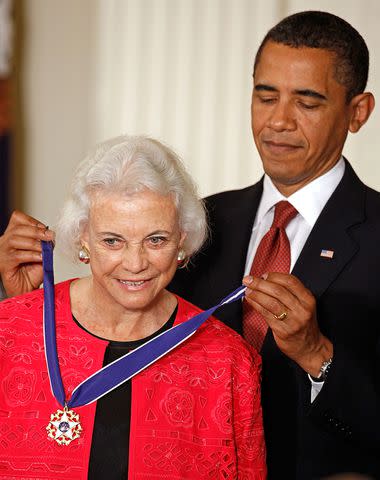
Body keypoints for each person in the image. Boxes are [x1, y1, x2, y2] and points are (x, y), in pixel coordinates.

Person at [0, 9, 379, 480]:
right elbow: (123, 348)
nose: (279, 121)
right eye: (265, 96)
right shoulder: (196, 220)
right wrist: (30, 306)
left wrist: (318, 356)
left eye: (308, 102)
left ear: (358, 112)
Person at [0, 135, 266, 479]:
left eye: (156, 240)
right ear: (83, 237)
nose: (136, 263)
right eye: (113, 241)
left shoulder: (229, 361)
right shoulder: (10, 331)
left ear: (182, 238)